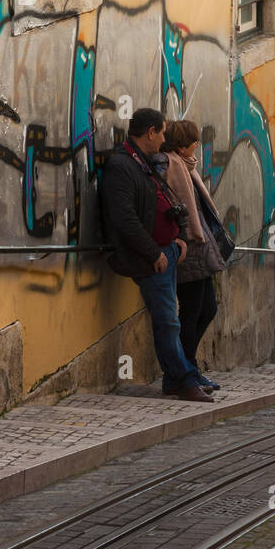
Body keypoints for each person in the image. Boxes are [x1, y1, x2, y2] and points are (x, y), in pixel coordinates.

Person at [101, 108, 213, 403]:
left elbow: (161, 203)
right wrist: (153, 252)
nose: (165, 138)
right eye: (162, 132)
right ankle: (184, 380)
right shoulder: (122, 166)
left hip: (166, 251)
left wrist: (177, 237)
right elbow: (125, 218)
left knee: (172, 318)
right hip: (151, 257)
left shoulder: (143, 163)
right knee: (168, 320)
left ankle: (177, 379)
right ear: (150, 132)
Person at [161, 119, 226, 392]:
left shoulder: (186, 165)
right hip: (188, 247)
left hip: (200, 247)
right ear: (184, 145)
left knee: (207, 308)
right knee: (190, 313)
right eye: (195, 141)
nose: (198, 145)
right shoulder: (171, 165)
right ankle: (182, 374)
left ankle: (186, 368)